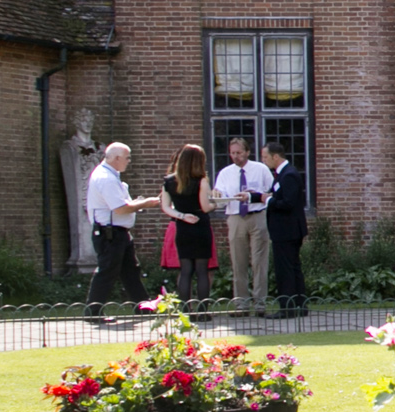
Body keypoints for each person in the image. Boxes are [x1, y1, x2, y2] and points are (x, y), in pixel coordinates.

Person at [85, 142, 158, 321]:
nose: (129, 161)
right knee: (107, 270)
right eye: (127, 158)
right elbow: (120, 208)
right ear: (116, 158)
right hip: (109, 233)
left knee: (130, 270)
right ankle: (92, 312)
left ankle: (143, 307)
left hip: (119, 232)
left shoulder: (111, 175)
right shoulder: (106, 178)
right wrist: (145, 203)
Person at [214, 135, 273, 315]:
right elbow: (220, 199)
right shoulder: (225, 173)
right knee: (238, 261)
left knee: (259, 261)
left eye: (239, 152)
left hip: (257, 215)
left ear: (247, 152)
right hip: (235, 217)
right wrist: (217, 195)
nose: (236, 156)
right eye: (233, 153)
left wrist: (257, 195)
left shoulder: (260, 169)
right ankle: (241, 304)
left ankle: (260, 303)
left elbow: (272, 191)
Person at [160, 143, 218, 310]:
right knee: (201, 270)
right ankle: (203, 310)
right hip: (200, 225)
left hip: (182, 226)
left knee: (185, 270)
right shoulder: (201, 181)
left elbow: (165, 207)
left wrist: (182, 216)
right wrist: (217, 205)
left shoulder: (169, 181)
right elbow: (206, 207)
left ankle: (185, 309)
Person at [263, 140, 309, 315]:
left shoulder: (288, 175)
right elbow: (277, 195)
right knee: (292, 267)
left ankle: (288, 307)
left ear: (276, 156)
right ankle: (299, 305)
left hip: (287, 230)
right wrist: (254, 197)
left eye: (265, 157)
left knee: (286, 269)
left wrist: (267, 200)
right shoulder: (281, 175)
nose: (264, 160)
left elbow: (287, 203)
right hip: (286, 230)